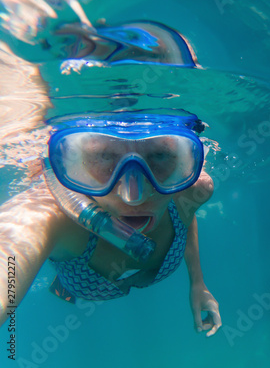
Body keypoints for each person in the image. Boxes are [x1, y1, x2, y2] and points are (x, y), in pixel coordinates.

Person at [0, 109, 222, 337]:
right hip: (75, 282)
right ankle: (62, 286)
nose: (133, 196)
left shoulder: (194, 191)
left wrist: (198, 283)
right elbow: (12, 241)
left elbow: (185, 220)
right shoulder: (54, 216)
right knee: (65, 287)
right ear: (75, 164)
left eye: (160, 155)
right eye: (104, 156)